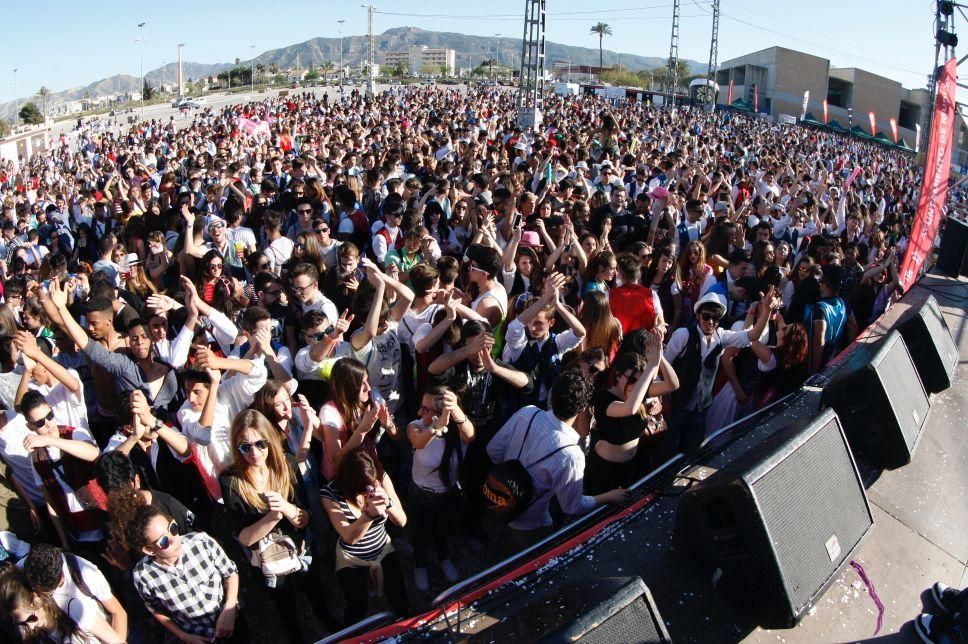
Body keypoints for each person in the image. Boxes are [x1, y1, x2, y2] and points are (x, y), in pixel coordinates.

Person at [219, 409, 332, 641]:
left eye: (260, 444)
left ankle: (326, 618)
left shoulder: (287, 464)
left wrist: (284, 507)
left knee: (313, 588)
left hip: (298, 547)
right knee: (284, 601)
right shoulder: (231, 480)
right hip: (267, 558)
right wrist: (272, 517)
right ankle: (295, 634)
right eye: (245, 447)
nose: (254, 452)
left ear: (269, 440)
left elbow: (304, 520)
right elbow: (245, 538)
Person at [487, 370, 631, 548]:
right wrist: (609, 497)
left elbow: (493, 450)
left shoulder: (527, 413)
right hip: (531, 523)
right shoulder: (571, 456)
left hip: (499, 499)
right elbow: (572, 507)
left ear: (553, 395)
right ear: (582, 408)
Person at [127, 505, 246, 644]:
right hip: (197, 636)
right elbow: (155, 609)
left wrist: (229, 608)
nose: (174, 538)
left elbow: (230, 572)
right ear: (149, 550)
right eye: (164, 541)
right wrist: (183, 635)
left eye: (172, 529)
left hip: (231, 622)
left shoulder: (201, 542)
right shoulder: (143, 575)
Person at [320, 447, 410, 626]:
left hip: (382, 548)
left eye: (371, 484)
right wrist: (368, 515)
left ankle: (404, 626)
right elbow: (349, 536)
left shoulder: (381, 479)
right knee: (357, 604)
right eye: (362, 489)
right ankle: (351, 633)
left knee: (399, 596)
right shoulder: (330, 493)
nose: (369, 490)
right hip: (352, 557)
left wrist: (388, 503)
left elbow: (402, 521)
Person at [585, 333, 679, 495]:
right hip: (605, 470)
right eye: (633, 380)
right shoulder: (604, 399)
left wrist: (659, 358)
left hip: (633, 466)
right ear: (618, 375)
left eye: (641, 381)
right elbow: (630, 408)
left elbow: (673, 384)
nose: (638, 386)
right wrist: (651, 367)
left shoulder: (638, 393)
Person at [406, 386, 474, 591]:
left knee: (442, 530)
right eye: (421, 407)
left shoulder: (457, 433)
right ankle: (420, 565)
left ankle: (443, 557)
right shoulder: (416, 426)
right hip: (420, 496)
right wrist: (436, 425)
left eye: (426, 409)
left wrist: (455, 410)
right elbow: (418, 441)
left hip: (447, 495)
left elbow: (470, 436)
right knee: (421, 533)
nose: (419, 413)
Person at [21, 542, 128, 643]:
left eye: (47, 594)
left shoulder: (86, 574)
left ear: (61, 579)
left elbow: (119, 613)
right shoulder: (25, 568)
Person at [0, 565, 121, 644]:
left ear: (35, 598)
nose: (31, 627)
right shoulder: (32, 635)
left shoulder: (74, 609)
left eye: (32, 618)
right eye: (21, 623)